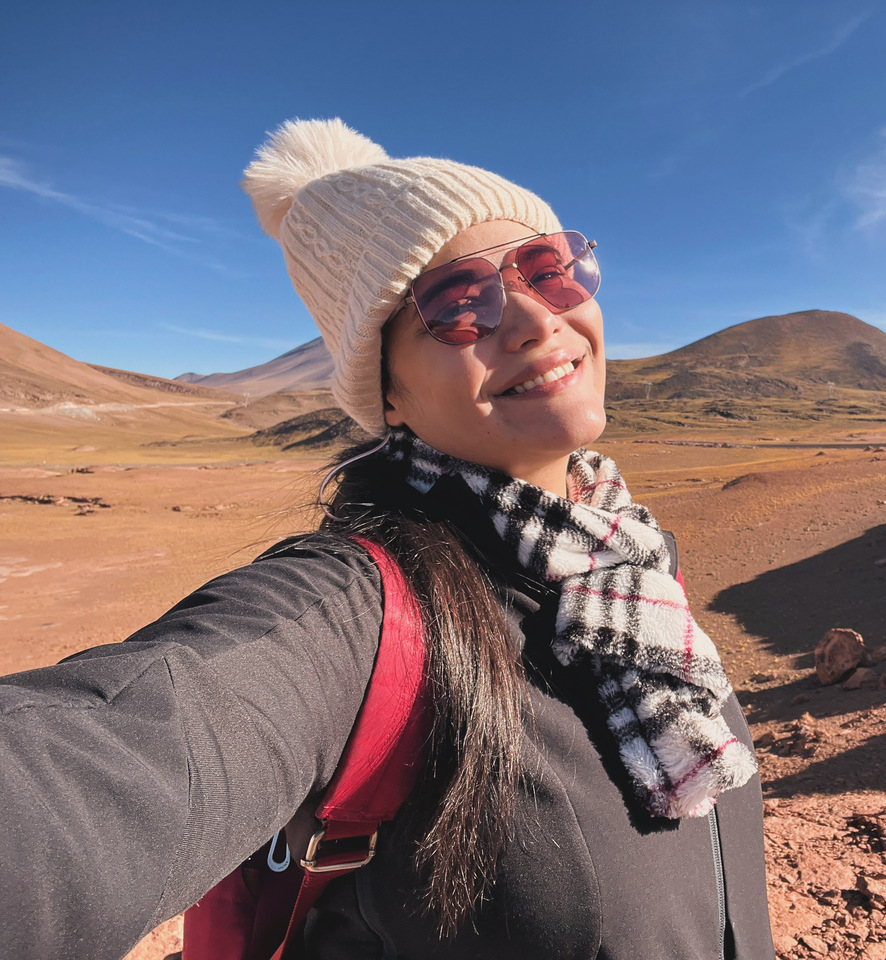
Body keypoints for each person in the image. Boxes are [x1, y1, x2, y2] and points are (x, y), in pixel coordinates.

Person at [0, 118, 775, 959]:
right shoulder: (353, 615)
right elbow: (101, 767)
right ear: (388, 394)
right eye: (456, 303)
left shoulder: (632, 572)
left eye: (547, 269)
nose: (531, 321)